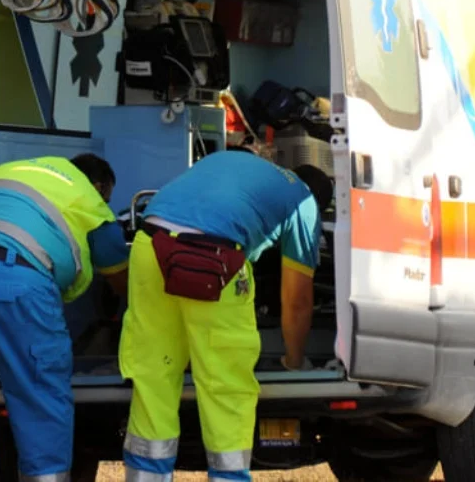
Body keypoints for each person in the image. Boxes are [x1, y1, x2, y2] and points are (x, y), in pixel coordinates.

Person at [118, 150, 333, 482]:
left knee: (154, 372)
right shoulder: (303, 202)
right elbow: (297, 301)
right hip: (212, 260)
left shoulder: (239, 165)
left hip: (148, 245)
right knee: (225, 384)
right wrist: (293, 360)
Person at [0, 153, 130, 482]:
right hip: (13, 278)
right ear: (101, 186)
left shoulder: (8, 170)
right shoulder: (88, 197)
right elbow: (121, 279)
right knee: (38, 391)